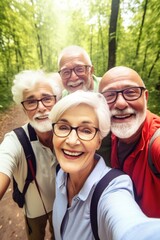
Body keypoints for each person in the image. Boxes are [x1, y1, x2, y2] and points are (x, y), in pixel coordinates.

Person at [49, 90, 160, 240]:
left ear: (99, 141)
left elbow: (130, 227)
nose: (71, 141)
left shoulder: (113, 189)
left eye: (86, 130)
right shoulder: (60, 173)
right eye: (63, 127)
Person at [0, 70, 62, 240]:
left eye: (47, 99)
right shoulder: (15, 141)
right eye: (31, 101)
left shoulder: (68, 132)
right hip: (34, 210)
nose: (41, 107)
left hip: (63, 207)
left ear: (56, 101)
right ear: (24, 108)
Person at [99, 66, 160, 218]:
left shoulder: (156, 144)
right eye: (109, 96)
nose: (120, 104)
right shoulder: (110, 134)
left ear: (145, 97)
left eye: (131, 92)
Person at [58, 45, 111, 163]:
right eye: (66, 72)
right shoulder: (63, 99)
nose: (73, 77)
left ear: (91, 70)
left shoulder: (109, 91)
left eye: (79, 69)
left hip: (111, 166)